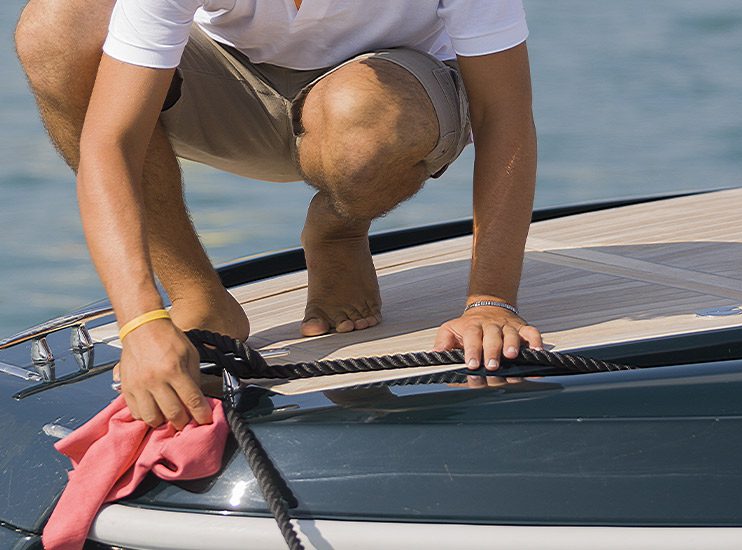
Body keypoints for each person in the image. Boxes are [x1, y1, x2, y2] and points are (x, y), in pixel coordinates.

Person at [14, 0, 543, 429]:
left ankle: (338, 228)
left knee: (366, 117)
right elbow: (113, 140)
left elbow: (506, 117)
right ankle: (199, 293)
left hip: (388, 108)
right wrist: (141, 323)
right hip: (234, 93)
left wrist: (489, 302)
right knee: (56, 27)